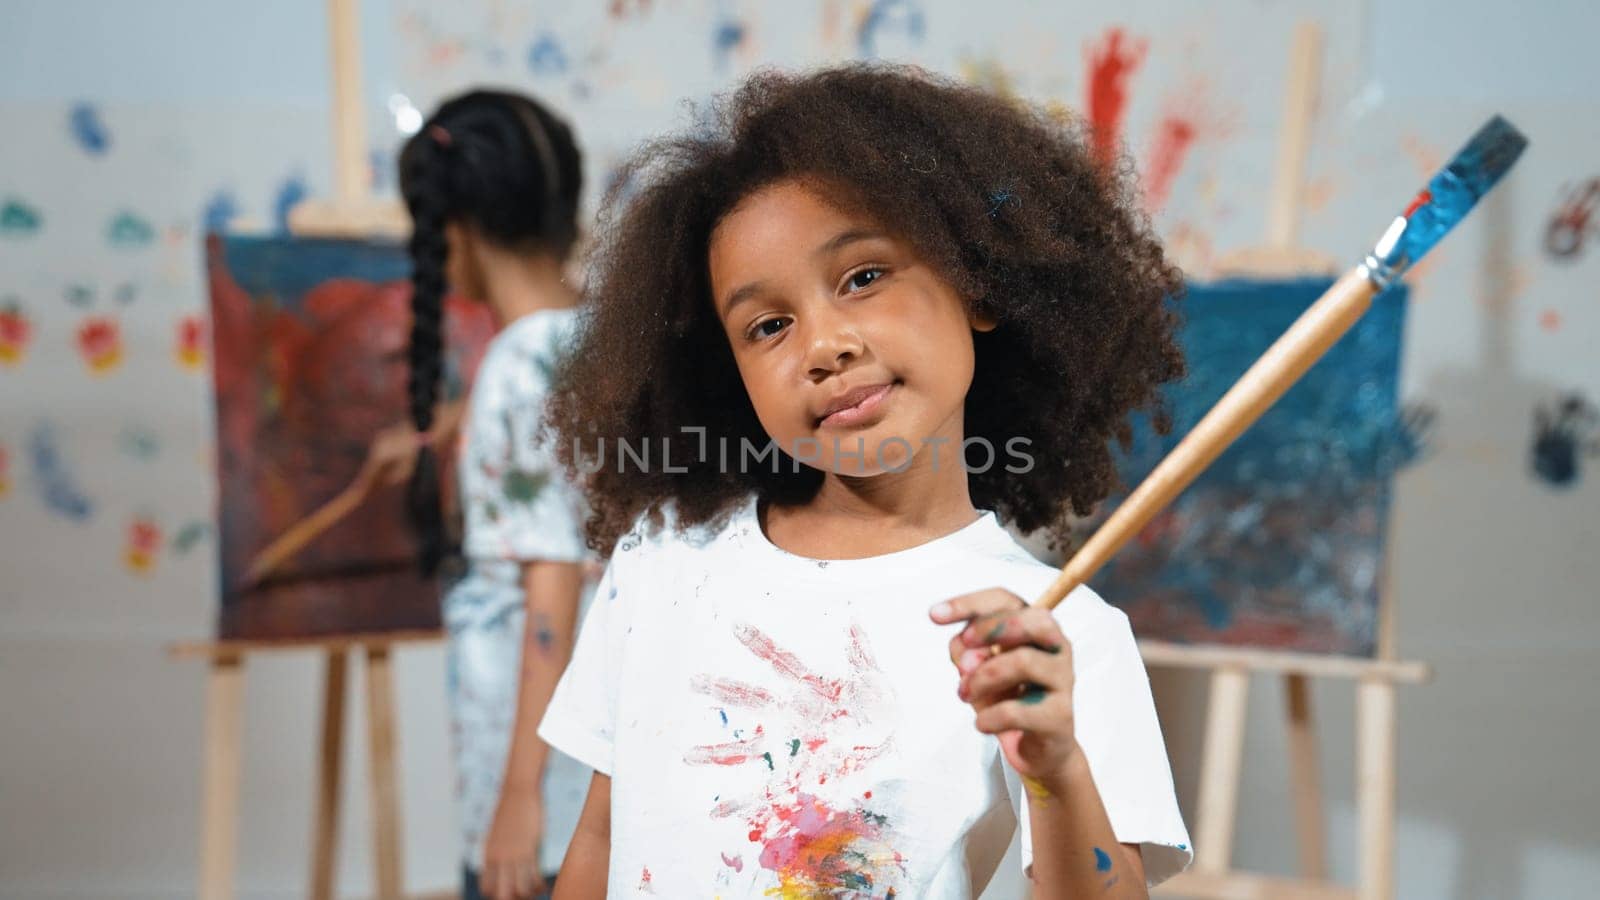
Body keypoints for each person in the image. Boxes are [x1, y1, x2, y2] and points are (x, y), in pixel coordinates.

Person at [537, 65, 1194, 899]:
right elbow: (598, 841)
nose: (824, 345)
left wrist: (1054, 769)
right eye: (768, 326)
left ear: (978, 282)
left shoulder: (1060, 637)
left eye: (863, 277)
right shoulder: (663, 564)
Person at [374, 88, 591, 900]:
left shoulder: (515, 369)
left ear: (454, 228)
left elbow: (553, 576)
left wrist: (517, 797)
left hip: (541, 787)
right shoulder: (596, 341)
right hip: (602, 788)